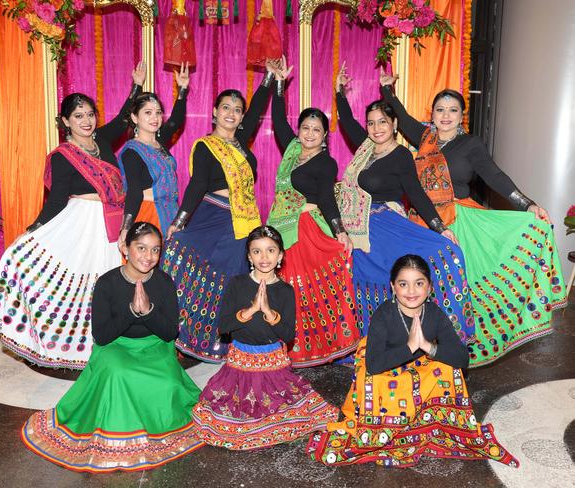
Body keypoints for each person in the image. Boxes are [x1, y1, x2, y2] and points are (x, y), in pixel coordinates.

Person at [379, 71, 567, 366]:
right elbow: (400, 115)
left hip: (458, 222)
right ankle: (415, 344)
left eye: (453, 110)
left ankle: (452, 346)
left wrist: (527, 204)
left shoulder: (470, 145)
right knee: (419, 286)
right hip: (422, 223)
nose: (445, 115)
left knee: (455, 286)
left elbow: (495, 176)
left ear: (462, 116)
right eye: (440, 109)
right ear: (432, 113)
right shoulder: (424, 137)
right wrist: (387, 90)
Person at [0, 62, 147, 369]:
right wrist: (33, 230)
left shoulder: (103, 140)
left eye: (89, 114)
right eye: (78, 116)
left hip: (110, 224)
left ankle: (107, 342)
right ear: (65, 121)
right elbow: (57, 199)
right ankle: (70, 344)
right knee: (78, 284)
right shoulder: (62, 156)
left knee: (108, 281)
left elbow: (125, 118)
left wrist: (135, 86)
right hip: (79, 227)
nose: (86, 120)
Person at [22, 222, 204, 472]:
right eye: (141, 248)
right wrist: (131, 311)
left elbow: (169, 332)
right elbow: (102, 335)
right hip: (116, 346)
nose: (148, 256)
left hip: (154, 347)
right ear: (125, 247)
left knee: (169, 383)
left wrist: (148, 311)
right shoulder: (107, 283)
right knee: (119, 374)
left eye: (155, 250)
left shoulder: (164, 282)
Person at [307, 255, 518, 468]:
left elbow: (462, 358)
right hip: (385, 368)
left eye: (419, 283)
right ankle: (392, 428)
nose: (411, 291)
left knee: (449, 370)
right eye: (403, 284)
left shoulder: (434, 313)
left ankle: (427, 422)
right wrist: (409, 346)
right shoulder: (384, 314)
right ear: (393, 287)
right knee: (373, 379)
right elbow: (374, 364)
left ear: (429, 287)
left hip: (418, 370)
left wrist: (427, 346)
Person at [334, 63, 474, 344]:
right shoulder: (365, 149)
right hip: (360, 228)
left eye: (382, 122)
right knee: (363, 279)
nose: (376, 128)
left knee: (439, 255)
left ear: (394, 124)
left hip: (387, 225)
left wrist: (439, 227)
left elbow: (416, 192)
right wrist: (339, 91)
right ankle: (370, 342)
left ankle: (432, 337)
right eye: (371, 123)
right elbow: (347, 121)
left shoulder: (400, 155)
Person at [162, 62, 279, 362]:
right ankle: (185, 338)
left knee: (233, 283)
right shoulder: (205, 146)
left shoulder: (241, 145)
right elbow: (197, 184)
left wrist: (268, 78)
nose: (231, 113)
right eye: (225, 107)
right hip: (213, 218)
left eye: (237, 109)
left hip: (243, 223)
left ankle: (226, 344)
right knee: (196, 275)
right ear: (214, 112)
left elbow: (255, 113)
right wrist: (179, 221)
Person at [191, 226, 338, 450]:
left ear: (280, 255)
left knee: (291, 413)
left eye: (270, 250)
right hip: (239, 364)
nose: (264, 257)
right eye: (257, 251)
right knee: (225, 416)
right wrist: (251, 310)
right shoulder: (237, 284)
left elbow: (287, 335)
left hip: (273, 365)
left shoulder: (285, 290)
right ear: (249, 256)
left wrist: (269, 312)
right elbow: (224, 327)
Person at [266, 57, 359, 367]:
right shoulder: (292, 151)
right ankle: (287, 347)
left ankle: (321, 346)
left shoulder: (325, 163)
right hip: (283, 228)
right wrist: (279, 87)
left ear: (324, 135)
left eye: (316, 129)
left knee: (312, 293)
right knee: (288, 291)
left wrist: (340, 231)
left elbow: (326, 199)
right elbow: (278, 123)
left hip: (307, 230)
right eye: (305, 127)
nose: (309, 133)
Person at [117, 63, 189, 238]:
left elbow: (177, 120)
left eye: (158, 112)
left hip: (171, 213)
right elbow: (133, 192)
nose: (155, 117)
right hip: (148, 215)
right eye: (148, 113)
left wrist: (183, 89)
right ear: (135, 117)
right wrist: (126, 229)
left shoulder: (160, 141)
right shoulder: (132, 152)